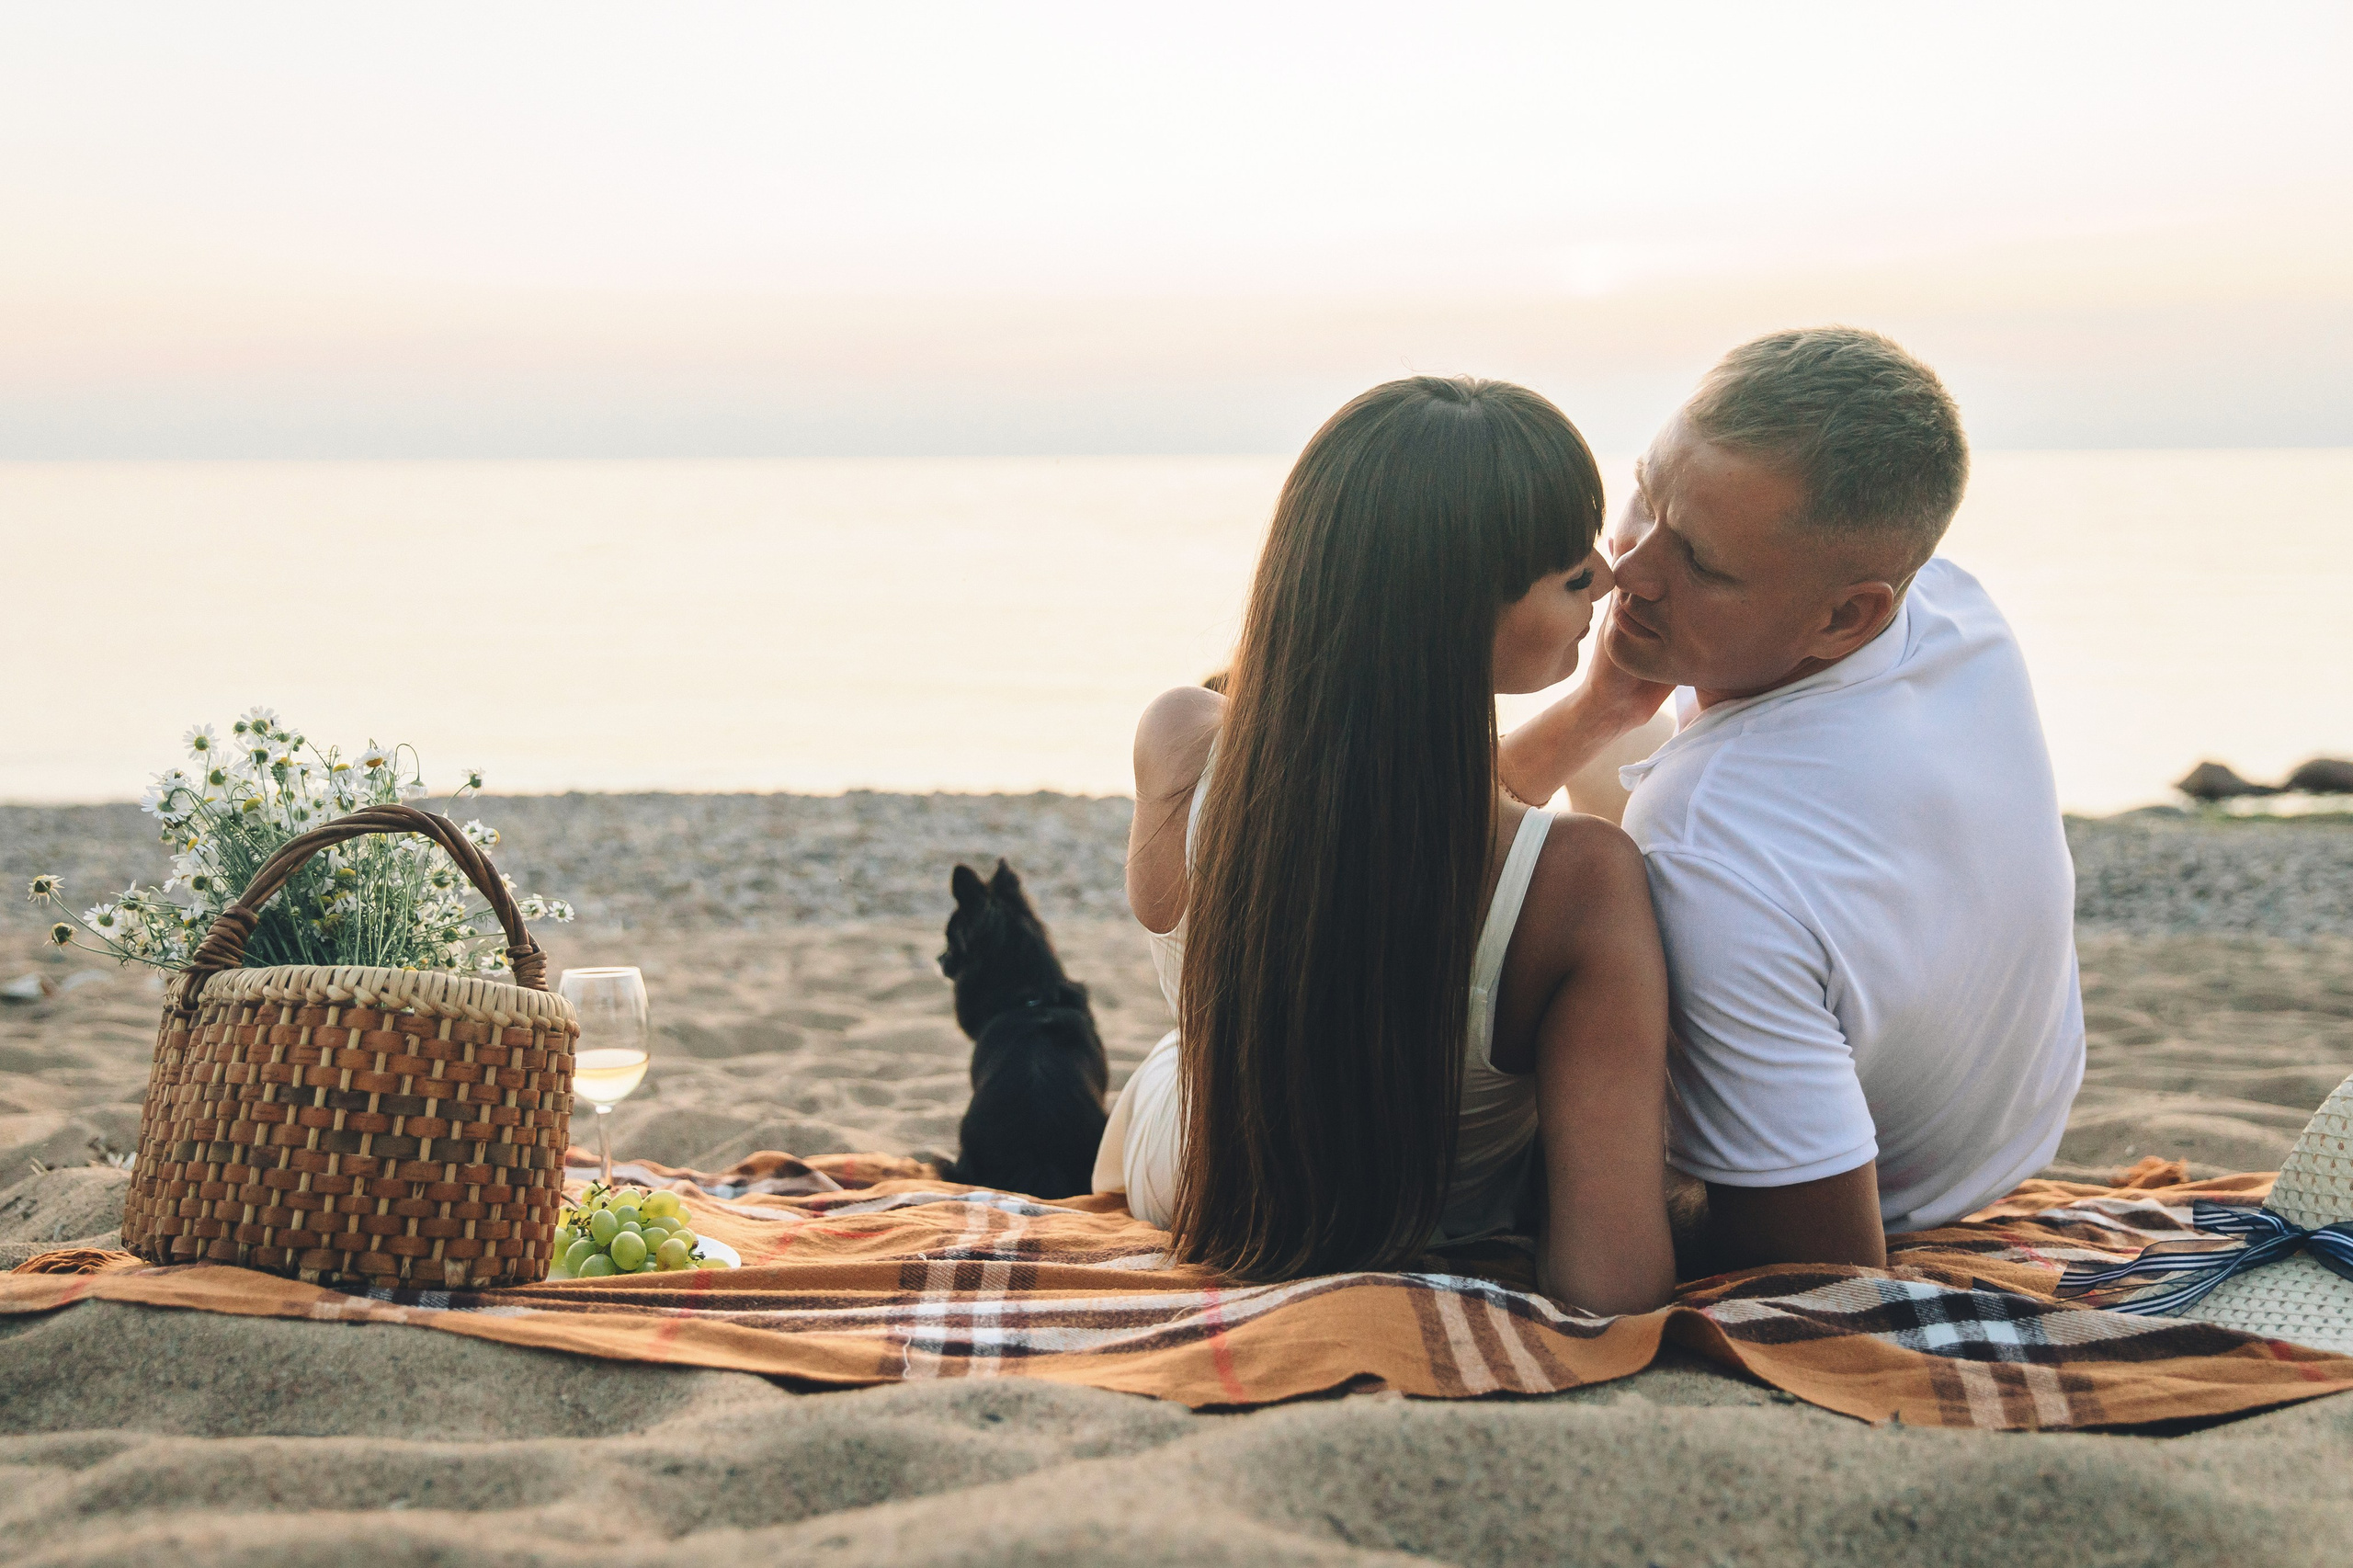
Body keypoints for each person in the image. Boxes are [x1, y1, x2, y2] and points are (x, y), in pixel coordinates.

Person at [1500, 326, 2086, 1276]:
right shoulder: (1950, 604)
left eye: (1699, 561)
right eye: (1644, 494)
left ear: (1847, 614)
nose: (1627, 573)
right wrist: (1599, 706)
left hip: (1895, 1191)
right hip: (2005, 1137)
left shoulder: (1710, 838)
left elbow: (1818, 1263)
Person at [1096, 375, 1677, 1316]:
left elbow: (1382, 818)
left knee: (1167, 1063)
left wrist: (1594, 708)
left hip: (1199, 1184)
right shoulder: (1580, 882)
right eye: (1572, 568)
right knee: (1644, 759)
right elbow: (1610, 1281)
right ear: (1457, 611)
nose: (1606, 579)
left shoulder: (1178, 738)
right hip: (1441, 1217)